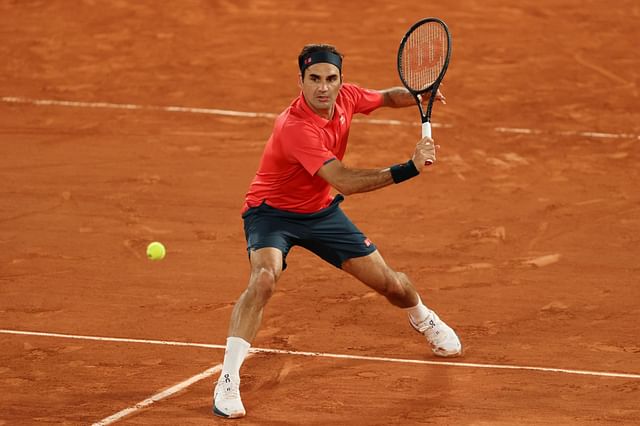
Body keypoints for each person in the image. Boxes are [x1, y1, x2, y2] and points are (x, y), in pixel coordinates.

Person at [213, 43, 462, 419]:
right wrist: (408, 167)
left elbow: (385, 98)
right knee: (264, 278)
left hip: (319, 213)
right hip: (272, 214)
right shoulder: (295, 127)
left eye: (331, 79)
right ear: (300, 81)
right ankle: (227, 381)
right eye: (314, 79)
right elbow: (344, 180)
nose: (323, 88)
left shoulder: (347, 97)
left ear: (341, 80)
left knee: (392, 285)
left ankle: (423, 317)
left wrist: (415, 96)